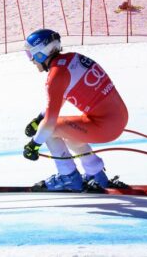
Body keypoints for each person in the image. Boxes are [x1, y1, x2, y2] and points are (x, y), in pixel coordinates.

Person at [21, 29, 129, 191]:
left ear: (41, 53)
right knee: (68, 131)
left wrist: (34, 144)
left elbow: (49, 123)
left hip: (105, 126)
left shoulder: (56, 76)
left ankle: (68, 177)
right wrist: (39, 118)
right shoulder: (72, 59)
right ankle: (96, 174)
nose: (31, 60)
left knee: (50, 130)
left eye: (31, 55)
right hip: (115, 119)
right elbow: (61, 96)